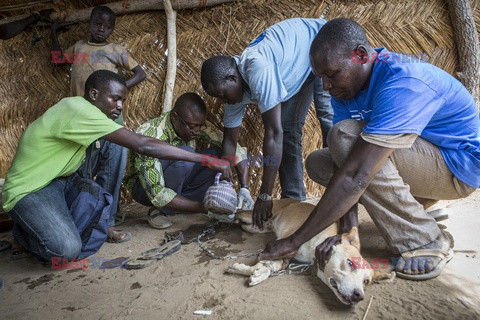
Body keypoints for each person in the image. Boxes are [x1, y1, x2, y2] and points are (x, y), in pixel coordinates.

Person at [259, 18, 479, 280]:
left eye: (331, 74)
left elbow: (357, 174)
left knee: (343, 138)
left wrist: (294, 240)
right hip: (422, 160)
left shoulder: (402, 80)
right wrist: (350, 234)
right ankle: (415, 205)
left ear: (361, 55)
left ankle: (425, 239)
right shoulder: (347, 91)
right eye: (321, 79)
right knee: (319, 161)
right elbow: (346, 162)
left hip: (457, 168)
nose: (326, 86)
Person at [1, 70, 231, 262]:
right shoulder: (76, 109)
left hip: (63, 181)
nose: (120, 106)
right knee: (66, 251)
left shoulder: (97, 118)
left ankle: (104, 221)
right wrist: (205, 160)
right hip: (31, 190)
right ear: (93, 94)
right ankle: (24, 235)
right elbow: (143, 144)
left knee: (115, 147)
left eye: (123, 100)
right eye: (115, 98)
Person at [201, 17, 332, 225]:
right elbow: (229, 141)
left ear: (231, 78)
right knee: (289, 130)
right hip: (298, 65)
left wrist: (264, 196)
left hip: (322, 43)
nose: (223, 101)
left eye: (223, 94)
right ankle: (294, 202)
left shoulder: (257, 68)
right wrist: (230, 182)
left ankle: (339, 203)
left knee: (327, 117)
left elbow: (273, 134)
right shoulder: (231, 90)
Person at [51, 5, 147, 240]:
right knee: (82, 170)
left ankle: (108, 222)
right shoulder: (79, 48)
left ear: (113, 29)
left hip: (110, 120)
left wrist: (118, 91)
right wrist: (54, 31)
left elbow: (140, 72)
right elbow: (56, 59)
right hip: (82, 119)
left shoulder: (116, 50)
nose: (102, 29)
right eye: (97, 24)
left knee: (111, 170)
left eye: (107, 26)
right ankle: (82, 219)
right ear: (89, 24)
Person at [124, 92, 252, 229]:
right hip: (144, 189)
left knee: (222, 156)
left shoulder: (194, 123)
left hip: (180, 182)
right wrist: (205, 209)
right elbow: (157, 193)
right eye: (192, 126)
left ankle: (181, 204)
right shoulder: (151, 134)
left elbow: (233, 146)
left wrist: (245, 187)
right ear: (175, 117)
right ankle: (160, 210)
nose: (196, 131)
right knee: (186, 157)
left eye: (200, 126)